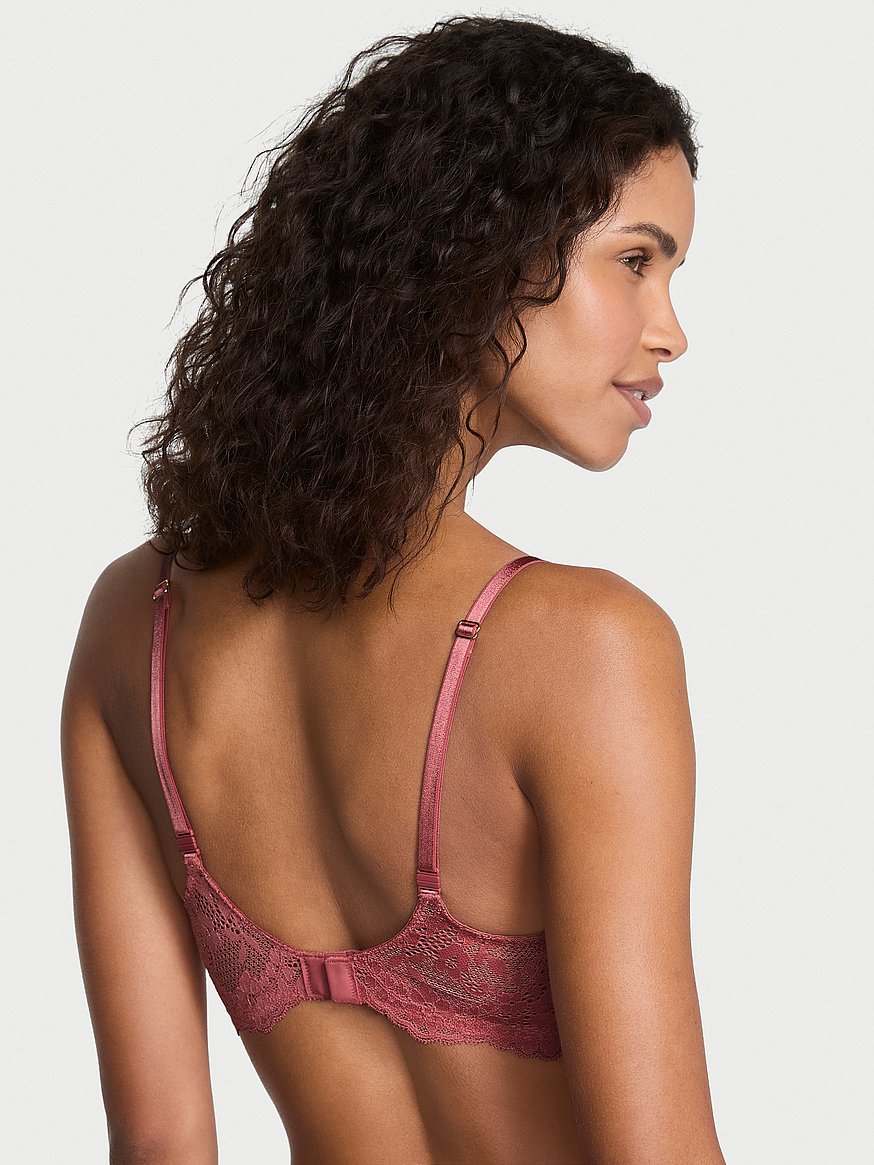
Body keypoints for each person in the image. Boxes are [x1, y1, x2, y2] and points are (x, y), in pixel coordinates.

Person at [61, 14, 726, 1164]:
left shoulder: (135, 625)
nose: (670, 331)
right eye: (635, 260)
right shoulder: (585, 644)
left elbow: (160, 1141)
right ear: (478, 251)